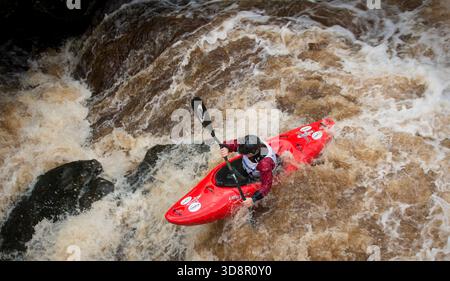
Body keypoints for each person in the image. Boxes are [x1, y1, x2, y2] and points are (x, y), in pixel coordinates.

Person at [221, 135, 280, 208]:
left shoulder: (264, 164)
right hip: (248, 169)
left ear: (251, 154)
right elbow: (232, 143)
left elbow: (267, 185)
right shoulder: (249, 144)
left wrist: (253, 199)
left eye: (244, 153)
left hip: (260, 176)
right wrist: (226, 147)